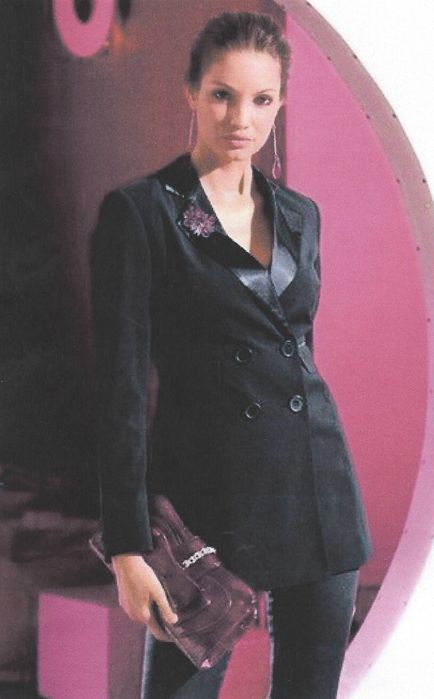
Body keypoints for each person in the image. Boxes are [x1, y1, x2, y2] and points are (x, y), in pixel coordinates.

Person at [89, 11, 373, 699]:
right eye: (222, 94)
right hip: (208, 508)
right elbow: (120, 391)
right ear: (190, 91)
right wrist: (127, 545)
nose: (241, 118)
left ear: (279, 104)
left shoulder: (301, 214)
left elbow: (295, 351)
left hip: (319, 495)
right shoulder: (144, 214)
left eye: (261, 99)